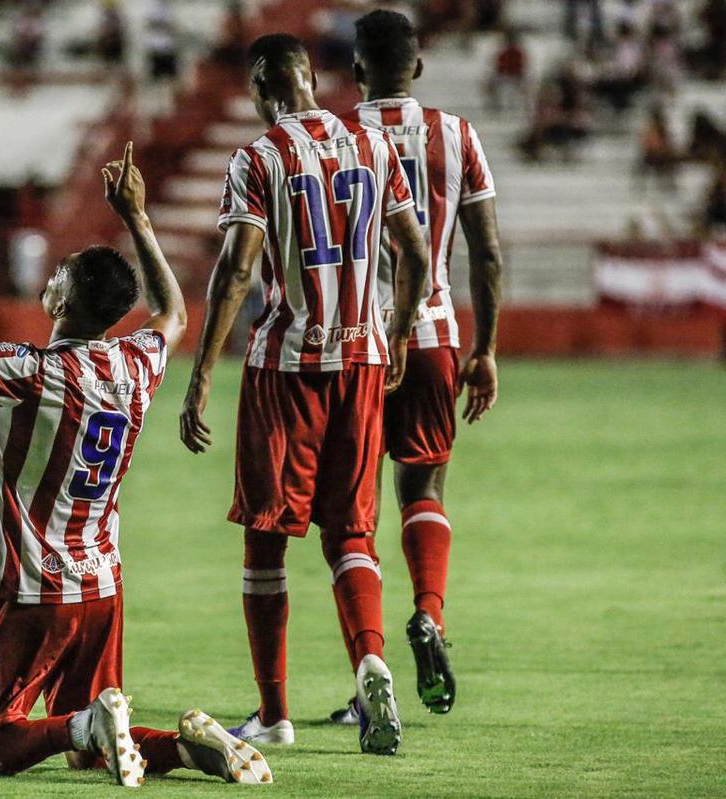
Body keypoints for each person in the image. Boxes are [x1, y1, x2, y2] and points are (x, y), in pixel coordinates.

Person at [0, 144, 271, 786]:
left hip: (26, 588)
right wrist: (137, 217)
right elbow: (175, 314)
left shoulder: (28, 373)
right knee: (92, 748)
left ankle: (82, 725)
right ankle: (189, 750)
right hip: (100, 587)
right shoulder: (136, 363)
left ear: (65, 302)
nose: (51, 275)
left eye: (60, 274)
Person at [178, 33, 430, 756]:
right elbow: (414, 253)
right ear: (311, 77)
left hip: (287, 365)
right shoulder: (375, 147)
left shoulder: (258, 157)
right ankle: (371, 661)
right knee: (350, 533)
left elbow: (237, 270)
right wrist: (398, 332)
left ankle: (274, 712)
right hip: (363, 359)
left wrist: (200, 375)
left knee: (266, 539)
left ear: (261, 89)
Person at [324, 8, 503, 726]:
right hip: (433, 335)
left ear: (356, 70)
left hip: (356, 343)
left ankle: (369, 678)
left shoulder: (336, 137)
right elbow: (487, 252)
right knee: (423, 485)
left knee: (353, 513)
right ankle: (430, 612)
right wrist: (485, 348)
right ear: (418, 67)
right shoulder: (455, 134)